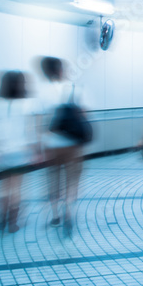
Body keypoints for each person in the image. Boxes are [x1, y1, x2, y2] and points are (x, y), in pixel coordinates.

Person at [37, 56, 86, 236]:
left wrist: (38, 146)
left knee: (53, 179)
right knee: (72, 179)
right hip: (73, 145)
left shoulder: (42, 92)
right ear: (60, 70)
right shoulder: (73, 88)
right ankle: (68, 209)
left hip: (51, 145)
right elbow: (83, 115)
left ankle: (55, 214)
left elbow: (38, 122)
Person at [0, 71, 35, 233]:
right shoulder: (26, 105)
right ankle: (13, 222)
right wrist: (34, 150)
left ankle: (1, 218)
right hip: (20, 151)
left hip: (3, 151)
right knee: (17, 187)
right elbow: (29, 131)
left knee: (4, 187)